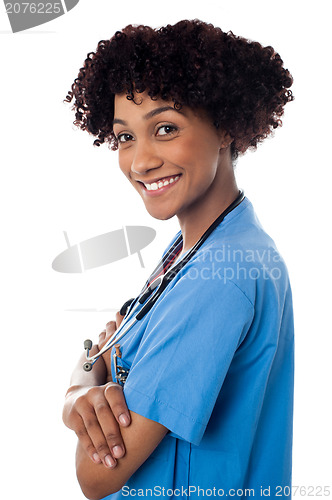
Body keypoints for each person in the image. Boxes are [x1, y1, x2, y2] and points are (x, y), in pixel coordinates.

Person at [62, 19, 295, 500]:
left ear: (227, 126)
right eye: (125, 137)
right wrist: (90, 378)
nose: (140, 161)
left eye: (165, 128)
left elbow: (97, 476)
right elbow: (106, 353)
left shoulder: (217, 278)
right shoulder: (201, 245)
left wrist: (77, 388)